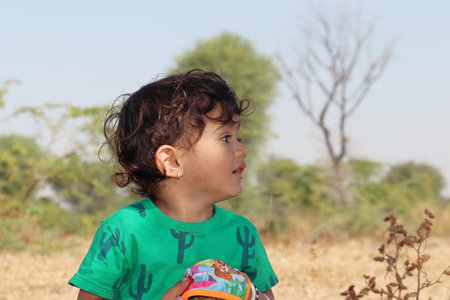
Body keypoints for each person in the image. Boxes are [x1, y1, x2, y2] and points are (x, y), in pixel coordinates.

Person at [69, 70, 278, 299]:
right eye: (225, 138)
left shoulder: (242, 233)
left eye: (239, 137)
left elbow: (266, 296)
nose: (242, 149)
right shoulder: (123, 232)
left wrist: (250, 295)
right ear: (172, 161)